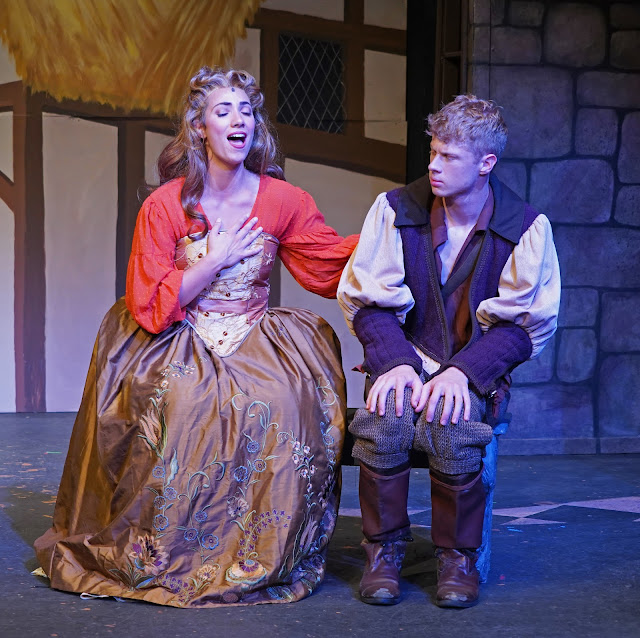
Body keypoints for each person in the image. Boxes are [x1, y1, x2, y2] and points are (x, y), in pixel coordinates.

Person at [34, 66, 358, 608]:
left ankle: (259, 551)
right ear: (200, 128)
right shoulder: (166, 204)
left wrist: (397, 233)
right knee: (182, 405)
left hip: (255, 329)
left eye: (246, 111)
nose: (238, 121)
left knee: (284, 401)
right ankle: (172, 552)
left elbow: (325, 259)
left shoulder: (282, 200)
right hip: (181, 329)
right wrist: (213, 261)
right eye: (223, 111)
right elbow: (149, 300)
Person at [337, 94, 560, 608]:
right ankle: (383, 551)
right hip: (405, 358)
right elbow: (368, 301)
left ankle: (456, 558)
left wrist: (464, 372)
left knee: (453, 426)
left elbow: (524, 326)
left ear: (486, 163)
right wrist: (395, 363)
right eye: (433, 152)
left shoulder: (524, 227)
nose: (434, 166)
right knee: (385, 421)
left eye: (450, 157)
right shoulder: (397, 209)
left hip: (474, 369)